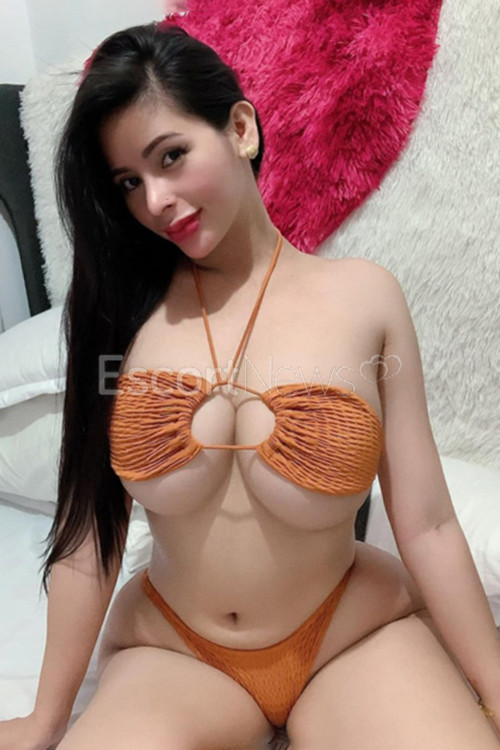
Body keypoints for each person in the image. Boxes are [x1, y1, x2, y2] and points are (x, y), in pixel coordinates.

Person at [0, 21, 499, 750]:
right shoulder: (119, 316)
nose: (156, 200)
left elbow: (428, 525)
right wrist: (46, 719)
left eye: (171, 157)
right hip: (175, 651)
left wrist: (495, 687)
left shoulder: (364, 298)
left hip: (349, 639)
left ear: (240, 128)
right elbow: (89, 538)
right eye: (129, 182)